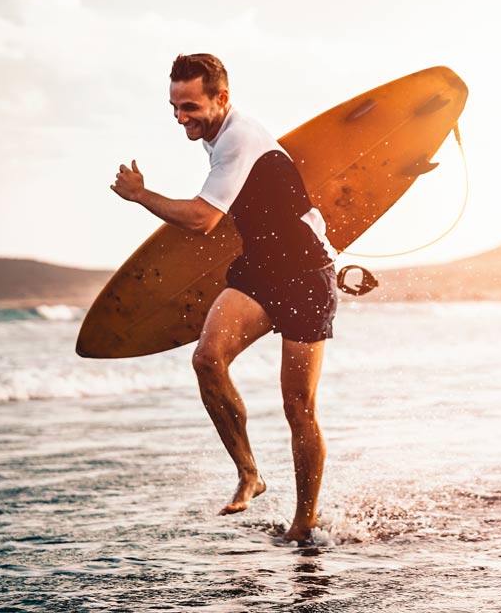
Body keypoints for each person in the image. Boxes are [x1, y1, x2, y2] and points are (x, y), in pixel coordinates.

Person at [110, 53, 338, 540]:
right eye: (174, 107)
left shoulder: (238, 137)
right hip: (259, 269)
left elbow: (201, 219)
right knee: (207, 360)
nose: (180, 118)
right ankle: (250, 474)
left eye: (190, 107)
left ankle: (304, 522)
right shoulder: (217, 137)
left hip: (304, 275)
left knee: (298, 408)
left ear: (222, 98)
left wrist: (141, 195)